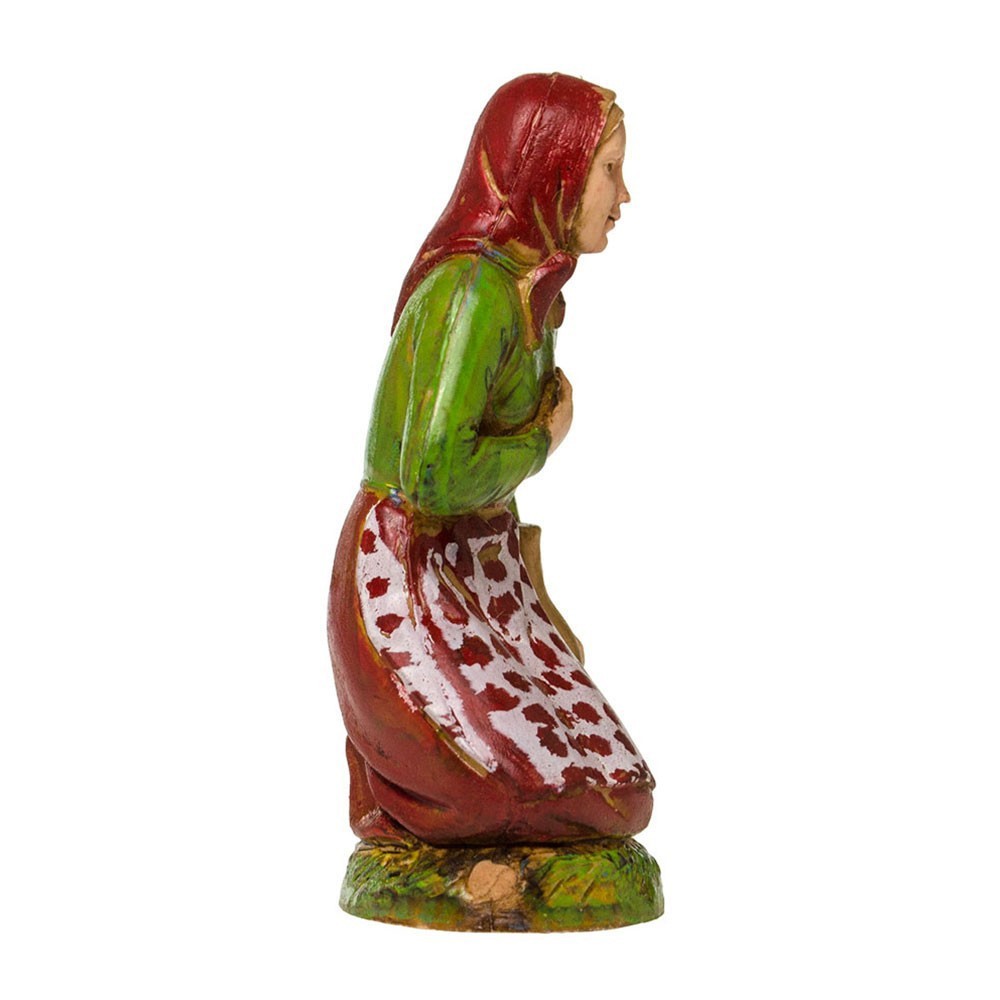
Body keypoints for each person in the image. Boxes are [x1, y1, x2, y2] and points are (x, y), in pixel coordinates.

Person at [328, 73, 653, 845]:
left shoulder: (526, 292)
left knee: (617, 794)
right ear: (554, 172)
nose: (624, 197)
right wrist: (543, 439)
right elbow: (433, 478)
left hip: (480, 578)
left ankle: (434, 790)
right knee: (529, 797)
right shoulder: (472, 293)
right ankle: (407, 793)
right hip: (406, 580)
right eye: (610, 171)